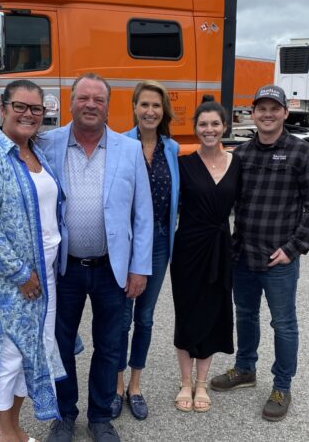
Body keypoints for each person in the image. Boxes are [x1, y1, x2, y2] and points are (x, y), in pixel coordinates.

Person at [39, 73, 153, 442]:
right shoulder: (47, 144)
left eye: (98, 100)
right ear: (70, 102)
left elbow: (143, 214)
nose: (91, 105)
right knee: (60, 345)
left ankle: (101, 416)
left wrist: (139, 267)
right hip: (64, 269)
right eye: (83, 98)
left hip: (112, 270)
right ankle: (64, 416)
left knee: (110, 346)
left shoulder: (129, 149)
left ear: (108, 106)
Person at [210, 84, 309, 422]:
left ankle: (282, 386)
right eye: (261, 108)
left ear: (285, 113)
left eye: (274, 108)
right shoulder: (242, 154)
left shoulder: (303, 154)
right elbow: (224, 202)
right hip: (243, 256)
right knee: (245, 315)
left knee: (284, 324)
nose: (267, 114)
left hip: (279, 261)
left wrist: (293, 249)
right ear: (253, 114)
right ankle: (245, 369)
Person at [0, 79, 66, 442]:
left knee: (33, 350)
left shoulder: (36, 152)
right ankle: (4, 431)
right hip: (13, 282)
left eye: (36, 109)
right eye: (20, 107)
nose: (28, 115)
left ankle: (14, 426)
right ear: (3, 109)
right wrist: (21, 274)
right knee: (9, 354)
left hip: (46, 275)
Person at [113, 80, 180, 421]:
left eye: (156, 105)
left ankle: (136, 386)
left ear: (162, 110)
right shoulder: (119, 145)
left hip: (160, 244)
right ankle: (117, 386)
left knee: (146, 318)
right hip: (125, 246)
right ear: (135, 108)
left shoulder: (172, 148)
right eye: (144, 105)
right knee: (121, 317)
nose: (150, 111)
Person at [169, 95, 239, 414]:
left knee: (212, 312)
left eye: (215, 124)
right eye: (203, 124)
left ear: (225, 127)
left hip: (220, 247)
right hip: (188, 248)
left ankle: (202, 383)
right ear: (195, 128)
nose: (209, 129)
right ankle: (185, 382)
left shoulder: (238, 163)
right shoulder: (183, 163)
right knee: (187, 313)